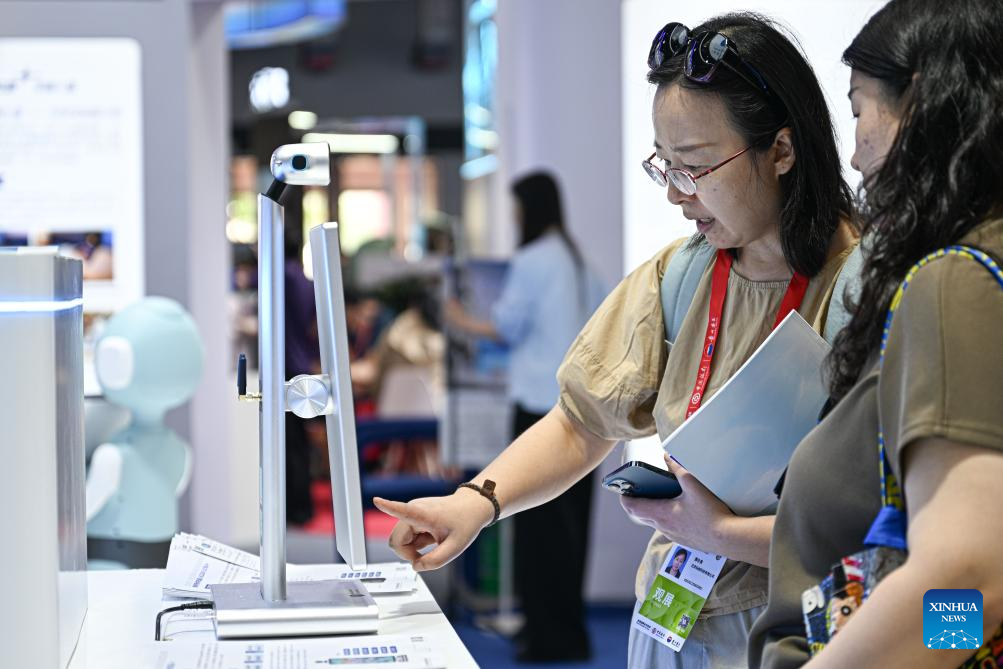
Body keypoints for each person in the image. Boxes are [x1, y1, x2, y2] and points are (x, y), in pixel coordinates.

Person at [374, 12, 859, 668]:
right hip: (671, 619)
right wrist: (474, 504)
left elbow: (895, 529)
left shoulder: (866, 290)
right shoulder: (682, 274)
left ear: (780, 150)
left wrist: (721, 533)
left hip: (806, 632)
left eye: (695, 167)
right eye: (664, 165)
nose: (676, 194)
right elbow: (580, 423)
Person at [747, 1, 1003, 667]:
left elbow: (968, 584)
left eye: (860, 108)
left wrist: (937, 648)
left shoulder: (958, 280)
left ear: (920, 105)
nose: (856, 154)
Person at [442, 171, 607, 662]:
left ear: (530, 208)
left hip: (539, 411)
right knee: (571, 533)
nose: (514, 217)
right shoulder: (579, 262)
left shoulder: (533, 260)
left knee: (536, 528)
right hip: (582, 411)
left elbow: (507, 327)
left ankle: (544, 637)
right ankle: (566, 633)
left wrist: (458, 319)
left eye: (516, 208)